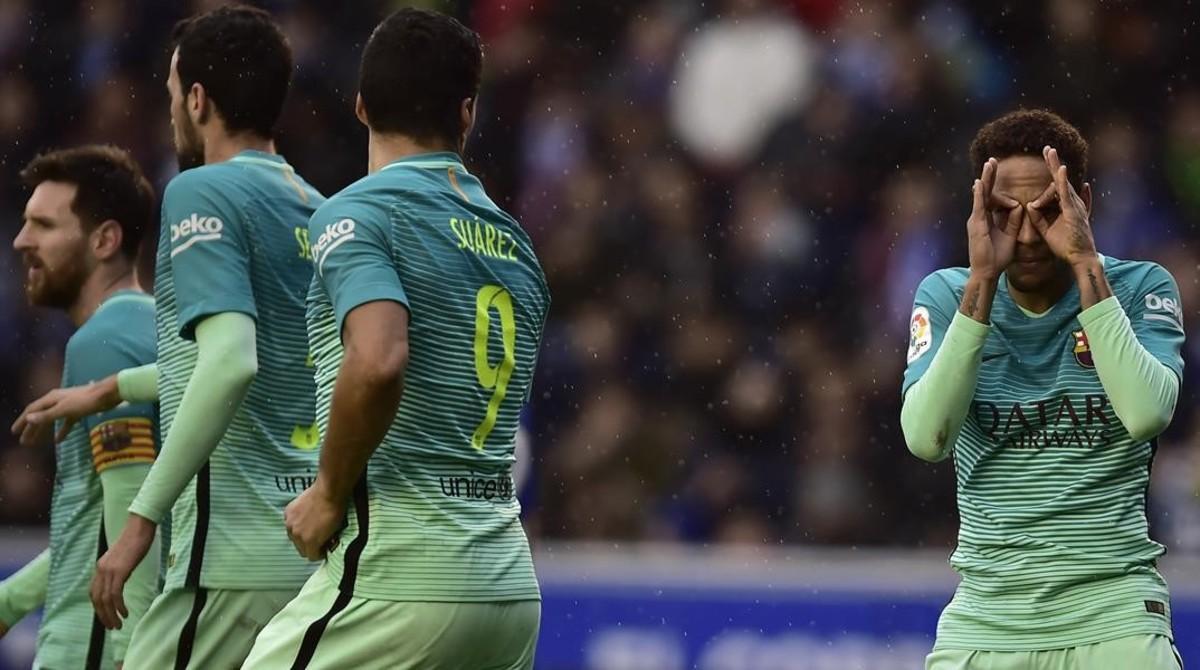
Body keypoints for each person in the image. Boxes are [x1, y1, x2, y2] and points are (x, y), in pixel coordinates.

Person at [16, 5, 324, 668]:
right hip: (306, 557)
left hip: (225, 561)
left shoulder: (201, 192)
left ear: (197, 98)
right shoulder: (320, 211)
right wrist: (113, 390)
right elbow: (269, 362)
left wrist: (139, 523)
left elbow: (232, 364)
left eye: (171, 96)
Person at [242, 8, 549, 669]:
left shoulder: (358, 215)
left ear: (360, 107)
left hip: (400, 577)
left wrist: (327, 493)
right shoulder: (516, 245)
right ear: (466, 114)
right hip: (506, 586)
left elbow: (379, 359)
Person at [901, 109, 1185, 669]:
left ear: (1082, 200)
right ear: (979, 208)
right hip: (987, 617)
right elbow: (925, 437)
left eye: (1049, 209)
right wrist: (982, 280)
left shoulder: (1141, 287)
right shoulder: (947, 295)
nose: (1028, 234)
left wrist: (1084, 264)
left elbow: (1148, 412)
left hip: (1115, 612)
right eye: (1007, 213)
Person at [2, 145, 159, 670]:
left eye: (43, 225)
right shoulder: (150, 329)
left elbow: (130, 513)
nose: (22, 241)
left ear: (105, 240)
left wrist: (133, 651)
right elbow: (97, 527)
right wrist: (11, 600)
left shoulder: (105, 342)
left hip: (96, 648)